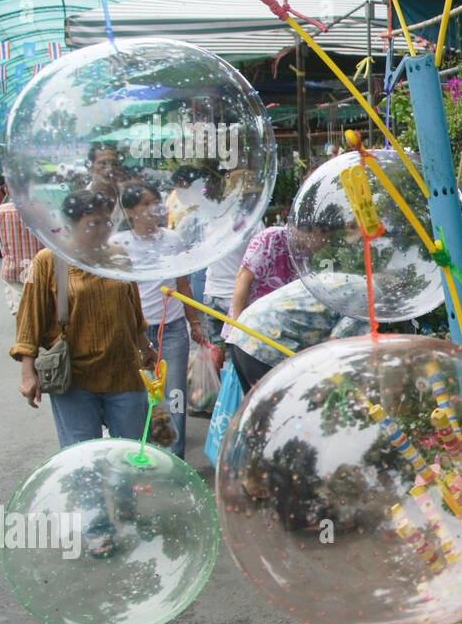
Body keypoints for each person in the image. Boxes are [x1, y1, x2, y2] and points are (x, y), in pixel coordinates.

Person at [12, 191, 156, 449]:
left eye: (106, 222)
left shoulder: (118, 256)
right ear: (70, 225)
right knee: (81, 458)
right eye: (93, 223)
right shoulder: (48, 261)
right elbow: (29, 319)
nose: (102, 230)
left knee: (132, 454)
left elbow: (132, 307)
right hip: (75, 379)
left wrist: (144, 346)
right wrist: (27, 373)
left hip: (124, 372)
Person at [113, 182, 209, 458]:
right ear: (130, 210)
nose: (152, 210)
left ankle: (173, 459)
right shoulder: (119, 245)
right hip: (134, 334)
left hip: (173, 331)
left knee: (174, 398)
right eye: (145, 204)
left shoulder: (172, 239)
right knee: (138, 398)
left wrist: (195, 323)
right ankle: (143, 455)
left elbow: (183, 285)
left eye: (155, 203)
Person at [223, 278, 363, 393]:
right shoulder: (369, 296)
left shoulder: (349, 280)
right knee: (278, 414)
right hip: (267, 344)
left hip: (245, 331)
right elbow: (335, 346)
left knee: (257, 415)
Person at [230, 224, 297, 326]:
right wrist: (237, 327)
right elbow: (242, 278)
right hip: (252, 322)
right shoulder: (271, 237)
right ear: (317, 231)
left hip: (278, 323)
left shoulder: (305, 250)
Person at [0, 200, 43, 316]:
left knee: (20, 311)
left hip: (13, 270)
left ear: (7, 190)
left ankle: (23, 322)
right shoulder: (41, 210)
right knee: (39, 306)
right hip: (38, 268)